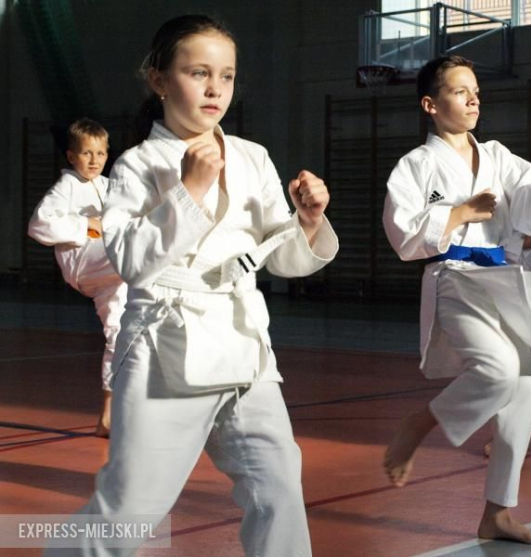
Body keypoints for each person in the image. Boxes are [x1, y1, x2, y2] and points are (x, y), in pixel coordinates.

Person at [47, 15, 338, 556]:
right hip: (166, 345)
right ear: (158, 80)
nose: (214, 88)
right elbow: (133, 262)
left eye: (225, 76)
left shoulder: (253, 157)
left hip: (245, 345)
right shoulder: (136, 165)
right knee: (132, 508)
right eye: (197, 72)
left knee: (278, 488)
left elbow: (287, 261)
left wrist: (309, 220)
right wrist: (190, 190)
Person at [382, 55, 531, 546]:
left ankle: (497, 513)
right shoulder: (416, 165)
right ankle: (419, 423)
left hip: (503, 278)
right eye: (459, 91)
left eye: (475, 91)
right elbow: (404, 236)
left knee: (524, 390)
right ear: (431, 104)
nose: (473, 98)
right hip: (454, 276)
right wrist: (461, 212)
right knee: (494, 371)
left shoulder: (496, 156)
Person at [28, 118, 126, 438]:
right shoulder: (66, 186)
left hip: (112, 277)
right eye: (87, 153)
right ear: (72, 157)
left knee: (120, 336)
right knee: (141, 254)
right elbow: (38, 226)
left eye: (100, 153)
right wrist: (88, 226)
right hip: (84, 264)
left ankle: (108, 417)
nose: (95, 160)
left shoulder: (109, 185)